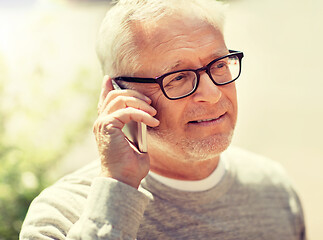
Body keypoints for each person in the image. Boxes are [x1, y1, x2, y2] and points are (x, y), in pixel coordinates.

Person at [20, 0, 306, 239]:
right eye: (178, 77)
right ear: (119, 94)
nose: (212, 94)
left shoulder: (273, 188)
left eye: (218, 65)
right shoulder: (62, 214)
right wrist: (118, 188)